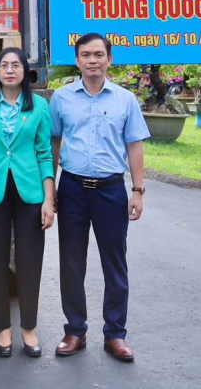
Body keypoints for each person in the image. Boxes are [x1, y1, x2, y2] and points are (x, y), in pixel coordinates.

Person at [50, 33, 149, 363]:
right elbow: (52, 144)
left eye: (98, 54)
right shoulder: (61, 99)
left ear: (109, 59)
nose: (92, 60)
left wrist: (137, 190)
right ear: (76, 60)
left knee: (115, 263)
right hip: (73, 190)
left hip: (110, 191)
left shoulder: (124, 100)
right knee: (71, 263)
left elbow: (135, 144)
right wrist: (49, 192)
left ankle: (115, 334)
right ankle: (75, 330)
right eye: (85, 55)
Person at [0, 47, 54, 359]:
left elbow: (45, 153)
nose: (9, 70)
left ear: (24, 72)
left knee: (30, 261)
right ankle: (2, 328)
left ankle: (28, 327)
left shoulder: (39, 106)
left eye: (15, 65)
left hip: (30, 191)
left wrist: (49, 199)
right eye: (3, 65)